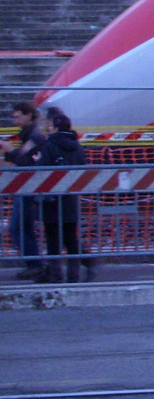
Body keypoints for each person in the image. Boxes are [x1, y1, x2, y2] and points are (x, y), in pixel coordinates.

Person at [35, 108, 88, 283]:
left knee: (52, 239)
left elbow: (42, 169)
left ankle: (56, 275)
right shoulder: (77, 146)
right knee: (70, 237)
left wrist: (37, 161)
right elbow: (83, 167)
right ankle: (74, 274)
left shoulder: (50, 145)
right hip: (71, 200)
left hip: (52, 201)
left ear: (55, 128)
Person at [0, 102, 45, 279]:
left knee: (17, 227)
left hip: (29, 187)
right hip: (27, 186)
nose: (15, 120)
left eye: (18, 116)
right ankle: (35, 264)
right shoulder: (29, 135)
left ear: (28, 115)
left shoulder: (34, 136)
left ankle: (35, 264)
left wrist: (10, 150)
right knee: (23, 226)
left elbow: (26, 162)